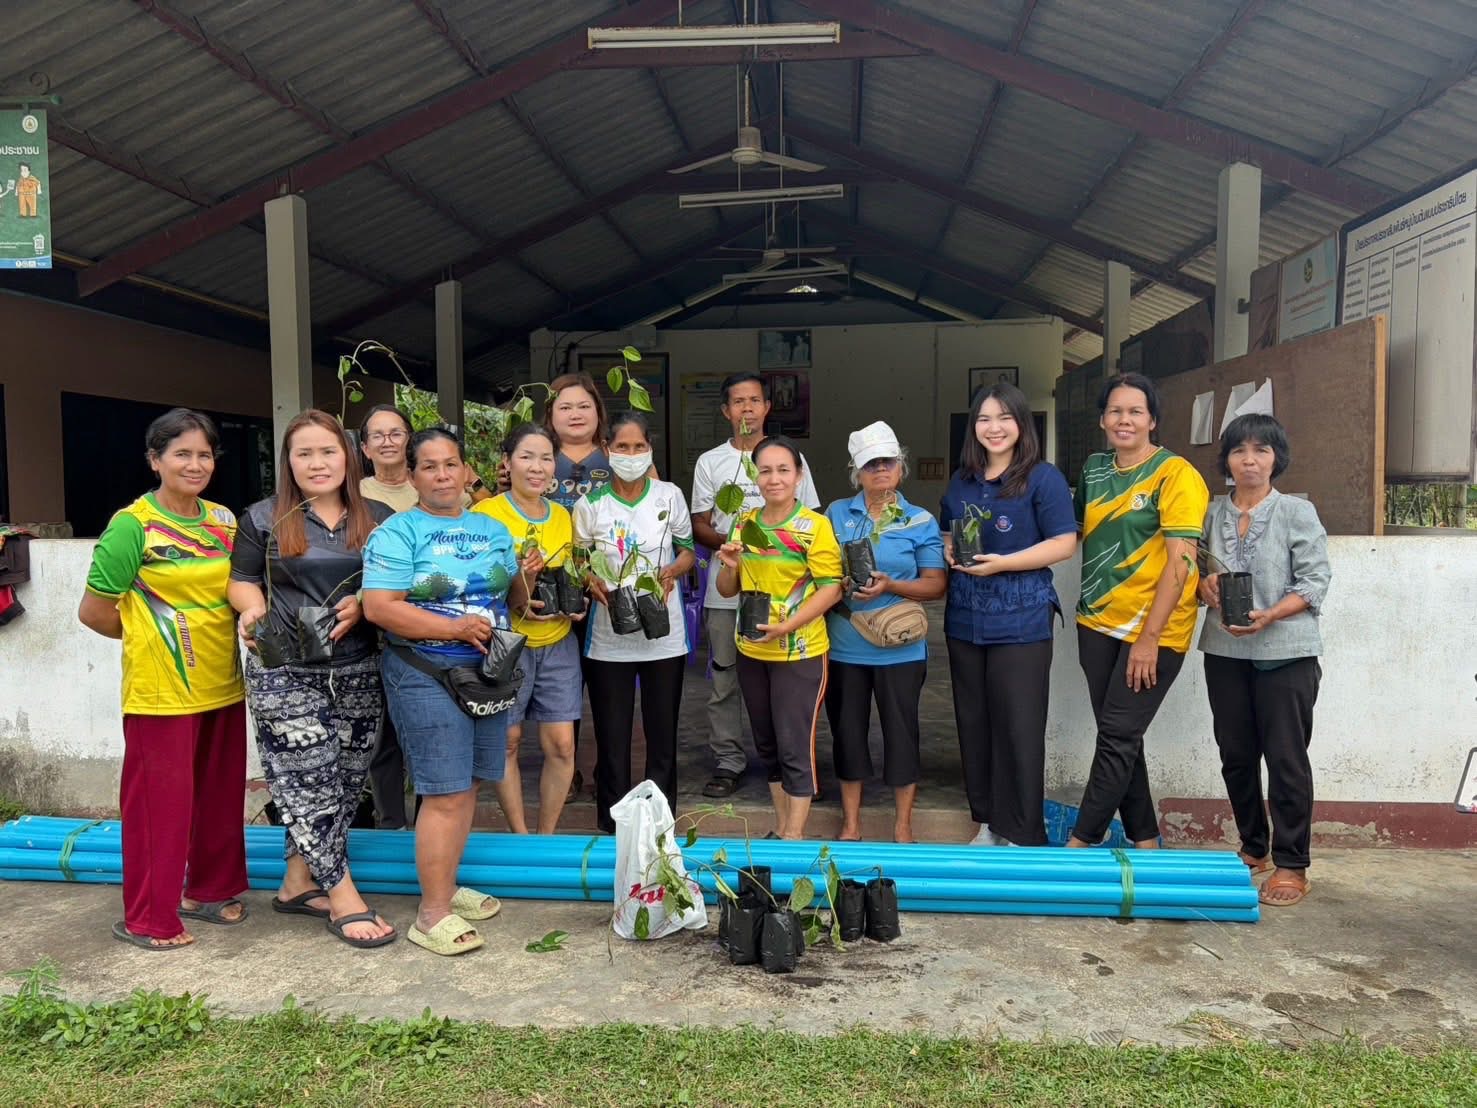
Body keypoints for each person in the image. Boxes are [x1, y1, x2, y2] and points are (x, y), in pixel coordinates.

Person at [78, 408, 248, 949]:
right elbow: (94, 611)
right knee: (159, 807)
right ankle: (149, 917)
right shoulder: (132, 526)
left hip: (222, 679)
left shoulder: (223, 521)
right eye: (182, 454)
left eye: (204, 454)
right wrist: (153, 637)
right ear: (156, 460)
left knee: (220, 795)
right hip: (161, 691)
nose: (195, 464)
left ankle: (210, 890)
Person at [229, 410, 396, 947]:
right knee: (306, 781)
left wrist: (366, 601)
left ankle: (297, 883)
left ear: (348, 456)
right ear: (289, 462)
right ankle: (343, 896)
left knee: (345, 782)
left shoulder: (379, 515)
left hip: (358, 667)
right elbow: (242, 582)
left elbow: (400, 584)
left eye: (328, 451)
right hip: (285, 669)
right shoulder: (262, 518)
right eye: (304, 453)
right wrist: (250, 612)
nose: (317, 463)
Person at [361, 428, 531, 956]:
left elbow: (513, 600)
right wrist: (455, 630)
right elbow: (380, 608)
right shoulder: (397, 533)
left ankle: (448, 888)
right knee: (444, 789)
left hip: (487, 671)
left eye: (451, 465)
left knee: (472, 781)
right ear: (412, 476)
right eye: (429, 466)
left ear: (466, 472)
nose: (442, 475)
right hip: (425, 670)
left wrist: (525, 578)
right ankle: (430, 912)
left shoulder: (492, 527)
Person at [1067, 373, 1210, 850]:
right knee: (1122, 737)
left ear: (1152, 419)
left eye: (1135, 411)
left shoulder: (1177, 474)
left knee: (1115, 737)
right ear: (1102, 419)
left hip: (1154, 632)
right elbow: (1073, 532)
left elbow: (1182, 559)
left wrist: (1148, 638)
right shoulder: (1093, 470)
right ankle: (1146, 840)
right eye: (1115, 410)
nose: (1124, 419)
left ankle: (1082, 842)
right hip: (1096, 624)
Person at [1197, 414, 1329, 907]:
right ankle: (1254, 848)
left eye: (1261, 451)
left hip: (1287, 652)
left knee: (1286, 758)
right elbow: (1193, 570)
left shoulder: (1297, 512)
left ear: (1277, 458)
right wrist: (1202, 587)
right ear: (1227, 459)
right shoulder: (1212, 514)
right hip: (1225, 649)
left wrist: (1270, 614)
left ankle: (1292, 863)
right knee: (1235, 754)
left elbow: (1315, 581)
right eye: (1238, 451)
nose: (1249, 460)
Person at [940, 385, 1076, 847]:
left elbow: (1063, 542)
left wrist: (1003, 563)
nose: (993, 428)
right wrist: (950, 551)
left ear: (1022, 424)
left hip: (1021, 620)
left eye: (1004, 418)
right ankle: (988, 822)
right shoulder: (962, 479)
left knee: (1018, 725)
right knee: (974, 724)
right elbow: (948, 531)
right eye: (983, 418)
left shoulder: (1043, 478)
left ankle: (1021, 832)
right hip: (964, 620)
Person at [690, 372, 820, 798]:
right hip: (728, 591)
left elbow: (811, 521)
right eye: (738, 402)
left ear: (767, 407)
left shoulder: (787, 459)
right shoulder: (711, 462)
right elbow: (699, 524)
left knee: (786, 689)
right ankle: (728, 760)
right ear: (726, 411)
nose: (747, 409)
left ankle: (790, 768)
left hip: (787, 596)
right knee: (726, 680)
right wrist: (737, 545)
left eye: (755, 401)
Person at [823, 422, 946, 843]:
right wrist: (835, 584)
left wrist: (891, 585)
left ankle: (903, 826)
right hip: (844, 646)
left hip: (900, 650)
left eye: (887, 462)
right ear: (857, 471)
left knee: (902, 733)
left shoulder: (919, 519)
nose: (880, 470)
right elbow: (819, 570)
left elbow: (935, 583)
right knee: (848, 733)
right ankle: (851, 823)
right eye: (870, 464)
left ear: (901, 467)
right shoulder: (837, 513)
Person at [573, 412, 695, 833]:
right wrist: (592, 582)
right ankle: (612, 823)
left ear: (650, 450)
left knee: (662, 733)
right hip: (609, 636)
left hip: (664, 633)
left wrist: (671, 573)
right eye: (621, 447)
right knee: (613, 734)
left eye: (638, 447)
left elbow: (687, 551)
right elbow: (578, 558)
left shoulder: (669, 496)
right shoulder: (590, 505)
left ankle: (660, 820)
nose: (630, 454)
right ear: (607, 450)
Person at [715, 436, 842, 839]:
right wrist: (731, 564)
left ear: (799, 475)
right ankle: (782, 827)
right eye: (765, 470)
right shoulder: (745, 523)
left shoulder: (814, 527)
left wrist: (788, 625)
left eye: (783, 470)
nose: (774, 478)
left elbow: (831, 588)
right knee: (767, 746)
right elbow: (726, 588)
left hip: (799, 653)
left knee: (794, 747)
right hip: (752, 649)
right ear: (755, 476)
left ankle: (794, 837)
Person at [474, 424, 585, 835]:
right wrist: (520, 584)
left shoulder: (563, 516)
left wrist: (578, 603)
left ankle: (547, 836)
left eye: (544, 458)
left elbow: (572, 574)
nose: (537, 467)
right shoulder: (486, 516)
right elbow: (478, 586)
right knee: (509, 741)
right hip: (508, 645)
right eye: (526, 457)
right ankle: (520, 835)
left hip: (557, 643)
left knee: (562, 744)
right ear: (507, 462)